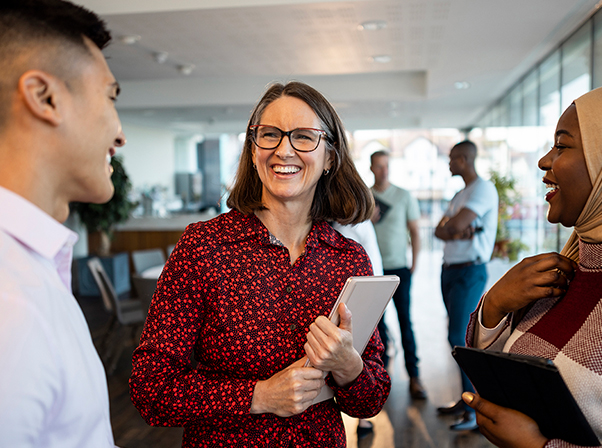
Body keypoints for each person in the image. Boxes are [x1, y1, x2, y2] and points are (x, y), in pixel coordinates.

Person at [129, 81, 391, 447]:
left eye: (303, 136)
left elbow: (371, 400)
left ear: (330, 157)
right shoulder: (203, 247)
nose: (284, 149)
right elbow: (151, 388)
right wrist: (259, 396)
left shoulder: (348, 258)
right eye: (269, 135)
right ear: (253, 150)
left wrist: (348, 365)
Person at [0, 0, 126, 446]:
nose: (120, 133)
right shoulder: (3, 299)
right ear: (45, 98)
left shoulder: (27, 269)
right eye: (109, 96)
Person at [463, 82, 602, 448]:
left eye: (562, 146)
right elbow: (506, 373)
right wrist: (495, 305)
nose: (544, 161)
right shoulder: (569, 263)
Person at [434, 140, 498, 431]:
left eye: (451, 158)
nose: (448, 163)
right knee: (457, 336)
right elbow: (440, 230)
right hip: (450, 271)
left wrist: (453, 228)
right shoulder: (460, 193)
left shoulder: (483, 189)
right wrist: (452, 229)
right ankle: (466, 399)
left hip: (469, 271)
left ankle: (475, 410)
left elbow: (454, 227)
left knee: (460, 337)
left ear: (464, 158)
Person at [370, 150, 426, 399]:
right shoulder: (365, 197)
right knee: (376, 326)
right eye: (379, 166)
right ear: (371, 168)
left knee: (405, 321)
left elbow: (414, 230)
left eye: (387, 166)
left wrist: (414, 263)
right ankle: (381, 376)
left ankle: (414, 377)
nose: (384, 171)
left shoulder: (403, 196)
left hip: (399, 268)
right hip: (372, 271)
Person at [332, 219, 383, 440]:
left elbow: (373, 264)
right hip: (342, 297)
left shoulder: (357, 228)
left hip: (362, 295)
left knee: (361, 350)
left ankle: (363, 420)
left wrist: (374, 303)